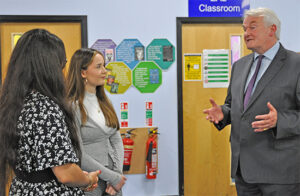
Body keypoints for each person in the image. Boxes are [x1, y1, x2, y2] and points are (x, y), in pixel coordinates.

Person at [204, 8, 300, 196]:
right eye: (244, 28)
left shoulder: (296, 64)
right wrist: (224, 113)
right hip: (244, 173)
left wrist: (280, 120)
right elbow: (235, 106)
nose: (246, 33)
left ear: (272, 30)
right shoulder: (239, 66)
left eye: (252, 27)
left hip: (281, 174)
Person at [0, 29, 100, 196]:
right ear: (51, 66)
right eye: (63, 62)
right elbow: (65, 173)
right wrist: (88, 179)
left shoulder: (15, 102)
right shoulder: (45, 107)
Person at [67, 48, 126, 196]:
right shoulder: (72, 107)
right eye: (98, 66)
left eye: (104, 66)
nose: (105, 71)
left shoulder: (106, 103)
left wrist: (117, 176)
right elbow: (78, 153)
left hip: (112, 184)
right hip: (90, 182)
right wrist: (112, 177)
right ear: (83, 72)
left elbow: (116, 140)